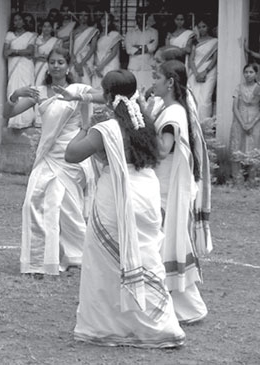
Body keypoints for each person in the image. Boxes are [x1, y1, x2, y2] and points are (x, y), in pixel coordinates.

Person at [65, 69, 185, 348]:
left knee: (105, 260)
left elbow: (71, 155)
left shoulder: (105, 129)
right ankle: (159, 325)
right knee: (146, 257)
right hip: (146, 193)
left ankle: (106, 327)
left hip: (116, 196)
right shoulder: (145, 125)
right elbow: (159, 153)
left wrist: (84, 127)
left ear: (107, 96)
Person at [4, 47, 93, 275]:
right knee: (33, 202)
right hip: (48, 155)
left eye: (60, 62)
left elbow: (101, 100)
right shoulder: (40, 91)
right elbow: (8, 114)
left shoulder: (77, 90)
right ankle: (40, 258)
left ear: (68, 65)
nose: (55, 66)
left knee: (68, 207)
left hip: (72, 155)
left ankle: (78, 256)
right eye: (52, 62)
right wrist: (16, 94)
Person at [152, 60, 208, 324]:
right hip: (163, 183)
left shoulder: (173, 113)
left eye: (157, 77)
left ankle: (187, 308)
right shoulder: (171, 109)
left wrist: (139, 131)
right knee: (164, 243)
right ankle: (177, 305)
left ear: (170, 82)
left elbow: (163, 149)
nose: (153, 82)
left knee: (164, 242)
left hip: (165, 186)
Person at [4, 13, 36, 129]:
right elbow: (5, 53)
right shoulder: (9, 35)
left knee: (27, 89)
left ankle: (27, 120)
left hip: (26, 66)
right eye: (15, 20)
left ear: (23, 22)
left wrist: (14, 51)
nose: (17, 22)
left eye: (19, 20)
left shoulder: (31, 35)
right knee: (13, 88)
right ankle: (14, 120)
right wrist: (21, 52)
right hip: (13, 67)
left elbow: (30, 52)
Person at [230, 63, 260, 179]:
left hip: (256, 122)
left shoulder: (258, 88)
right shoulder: (239, 87)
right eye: (246, 72)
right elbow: (234, 108)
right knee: (238, 147)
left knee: (254, 148)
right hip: (239, 121)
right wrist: (243, 124)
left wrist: (251, 124)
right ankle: (237, 179)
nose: (248, 75)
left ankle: (253, 179)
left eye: (251, 72)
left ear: (256, 74)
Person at [188, 18, 217, 122]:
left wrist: (205, 72)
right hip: (195, 71)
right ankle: (192, 123)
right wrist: (196, 73)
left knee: (205, 99)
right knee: (193, 97)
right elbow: (191, 59)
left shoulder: (214, 42)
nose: (201, 29)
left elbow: (215, 58)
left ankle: (205, 124)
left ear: (208, 27)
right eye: (199, 27)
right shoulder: (195, 42)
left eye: (204, 26)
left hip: (209, 71)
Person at [125, 12, 158, 94]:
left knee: (148, 92)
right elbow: (129, 50)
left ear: (146, 18)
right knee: (134, 92)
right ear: (136, 18)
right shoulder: (130, 33)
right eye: (139, 17)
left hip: (148, 67)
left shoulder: (153, 32)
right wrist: (146, 46)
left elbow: (152, 47)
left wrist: (136, 46)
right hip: (134, 67)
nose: (141, 19)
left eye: (143, 17)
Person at [91, 13, 121, 90]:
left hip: (110, 64)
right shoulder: (97, 34)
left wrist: (102, 65)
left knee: (110, 88)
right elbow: (94, 51)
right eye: (103, 19)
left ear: (111, 22)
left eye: (108, 20)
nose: (104, 22)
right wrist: (97, 66)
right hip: (98, 64)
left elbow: (113, 53)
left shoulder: (114, 34)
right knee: (97, 89)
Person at [70, 10, 99, 85]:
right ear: (78, 16)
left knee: (86, 85)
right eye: (81, 15)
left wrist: (81, 64)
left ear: (88, 17)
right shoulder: (73, 31)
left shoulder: (92, 31)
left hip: (86, 61)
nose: (83, 17)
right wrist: (76, 64)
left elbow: (92, 49)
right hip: (74, 61)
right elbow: (71, 50)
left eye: (85, 15)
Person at [33, 20, 60, 86]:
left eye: (49, 26)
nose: (46, 28)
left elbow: (55, 56)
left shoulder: (56, 41)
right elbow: (35, 55)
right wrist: (48, 57)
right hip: (39, 66)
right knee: (38, 85)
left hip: (51, 66)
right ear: (41, 28)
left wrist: (41, 56)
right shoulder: (37, 40)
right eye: (44, 26)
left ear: (52, 28)